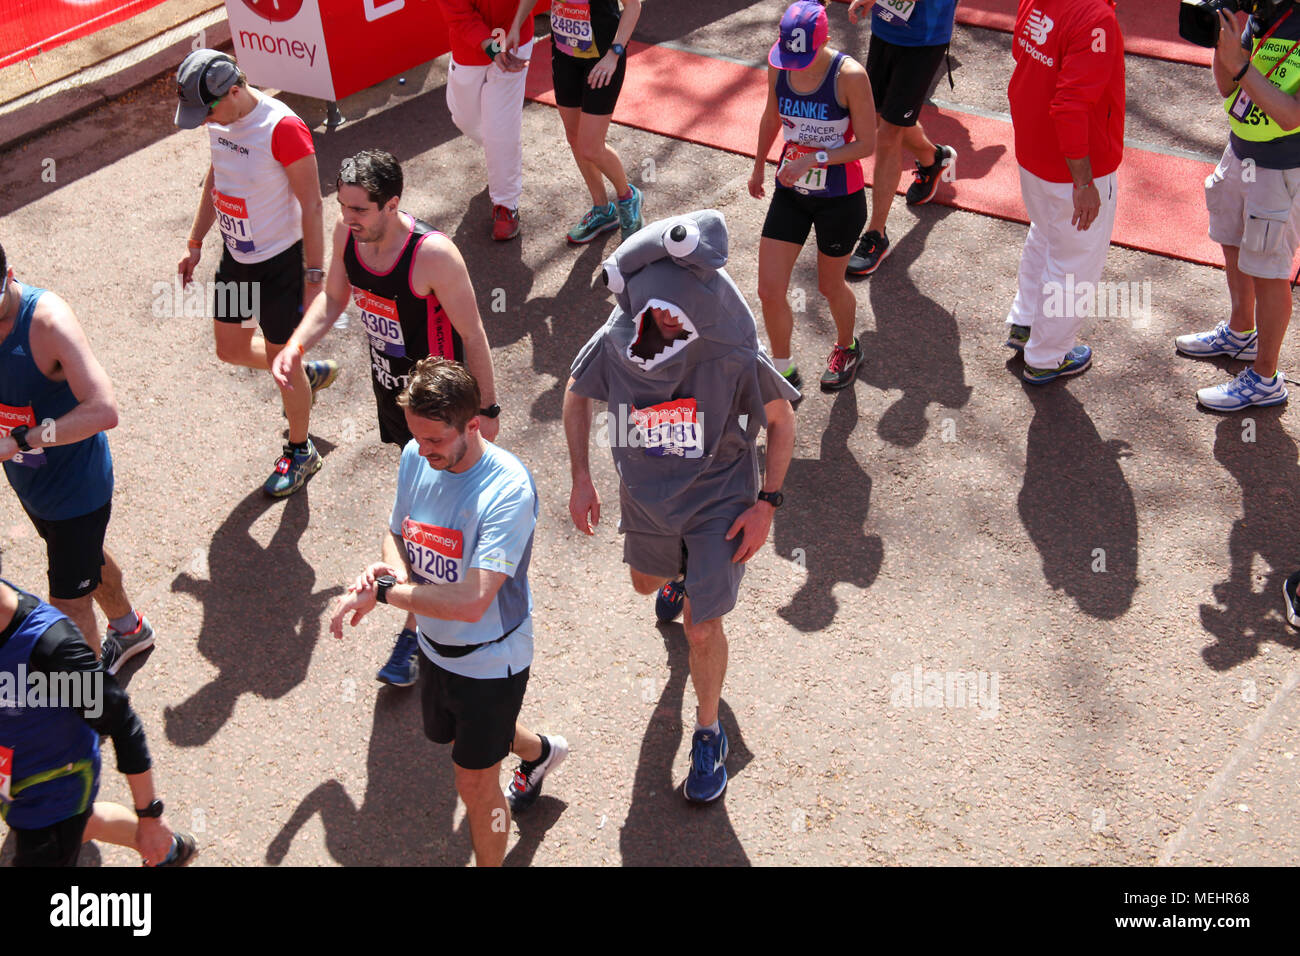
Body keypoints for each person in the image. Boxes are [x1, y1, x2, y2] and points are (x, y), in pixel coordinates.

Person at [563, 210, 797, 802]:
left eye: (668, 319)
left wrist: (766, 504)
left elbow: (781, 421)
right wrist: (581, 478)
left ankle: (708, 732)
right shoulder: (618, 340)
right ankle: (678, 575)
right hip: (648, 494)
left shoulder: (732, 352)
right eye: (647, 316)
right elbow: (575, 394)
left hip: (720, 495)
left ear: (694, 318)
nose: (652, 328)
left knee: (700, 626)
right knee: (647, 585)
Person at [273, 149, 503, 689]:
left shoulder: (434, 256)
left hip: (446, 408)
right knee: (424, 515)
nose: (348, 217)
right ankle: (432, 611)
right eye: (343, 206)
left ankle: (420, 630)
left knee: (439, 519)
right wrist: (297, 344)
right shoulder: (346, 236)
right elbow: (333, 298)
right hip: (396, 398)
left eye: (359, 209)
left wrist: (485, 411)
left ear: (391, 203)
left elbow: (473, 335)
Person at [330, 358, 565, 864]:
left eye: (435, 440)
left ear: (472, 425)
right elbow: (397, 531)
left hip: (490, 659)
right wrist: (388, 575)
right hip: (436, 649)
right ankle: (542, 752)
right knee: (464, 737)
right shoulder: (418, 454)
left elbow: (472, 600)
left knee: (476, 786)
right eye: (417, 437)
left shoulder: (508, 491)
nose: (423, 449)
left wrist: (389, 594)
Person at [174, 49, 338, 498]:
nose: (205, 122)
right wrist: (195, 241)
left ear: (234, 90)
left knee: (284, 369)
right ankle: (304, 373)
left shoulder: (282, 128)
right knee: (228, 349)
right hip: (236, 261)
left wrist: (314, 274)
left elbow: (313, 204)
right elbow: (217, 178)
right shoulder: (223, 123)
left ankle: (301, 452)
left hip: (281, 267)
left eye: (206, 112)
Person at [0, 242, 154, 675]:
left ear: (9, 276)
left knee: (67, 604)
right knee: (88, 560)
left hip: (76, 488)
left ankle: (89, 707)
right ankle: (129, 629)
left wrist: (23, 440)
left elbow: (104, 410)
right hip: (32, 485)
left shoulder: (47, 323)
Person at [0, 575, 197, 867]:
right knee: (87, 822)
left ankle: (157, 840)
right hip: (15, 772)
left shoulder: (51, 650)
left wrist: (150, 816)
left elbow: (122, 723)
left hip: (52, 789)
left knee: (67, 826)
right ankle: (164, 848)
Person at [1176, 3, 1300, 411]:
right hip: (1241, 152)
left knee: (1268, 271)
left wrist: (1243, 68)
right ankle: (1241, 331)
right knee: (1232, 243)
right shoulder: (1269, 16)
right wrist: (1220, 44)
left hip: (1282, 170)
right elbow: (1229, 89)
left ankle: (1266, 378)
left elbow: (1289, 115)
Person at [749, 0, 875, 393]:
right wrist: (758, 165)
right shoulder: (780, 64)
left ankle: (847, 346)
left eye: (803, 57)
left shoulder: (850, 76)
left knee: (829, 286)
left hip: (840, 197)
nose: (794, 64)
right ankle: (783, 369)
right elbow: (772, 116)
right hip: (792, 191)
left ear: (827, 41)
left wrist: (814, 158)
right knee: (769, 290)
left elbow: (868, 144)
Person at [1004, 0, 1124, 384]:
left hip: (1032, 149)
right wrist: (1085, 183)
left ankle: (1024, 324)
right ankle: (1047, 357)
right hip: (1071, 165)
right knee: (1074, 264)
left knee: (1044, 234)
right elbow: (1070, 106)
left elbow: (1021, 53)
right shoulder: (1095, 18)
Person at [507, 0, 645, 243]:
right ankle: (602, 210)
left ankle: (627, 196)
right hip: (565, 57)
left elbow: (633, 7)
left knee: (591, 146)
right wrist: (516, 25)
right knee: (574, 137)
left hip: (603, 60)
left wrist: (614, 54)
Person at [845, 0, 960, 277]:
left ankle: (876, 235)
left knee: (888, 134)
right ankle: (933, 158)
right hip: (885, 28)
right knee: (880, 120)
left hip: (923, 39)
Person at [440, 0, 535, 241]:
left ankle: (506, 206)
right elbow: (459, 13)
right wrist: (491, 48)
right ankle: (500, 154)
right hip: (468, 48)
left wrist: (516, 26)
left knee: (500, 127)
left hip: (515, 38)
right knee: (464, 117)